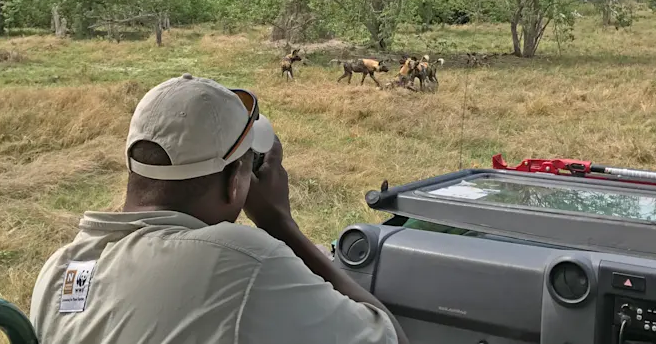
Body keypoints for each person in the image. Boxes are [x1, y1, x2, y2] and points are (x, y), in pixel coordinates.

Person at [29, 73, 409, 344]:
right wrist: (280, 224)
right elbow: (388, 336)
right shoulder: (243, 262)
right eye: (249, 166)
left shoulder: (60, 267)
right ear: (234, 184)